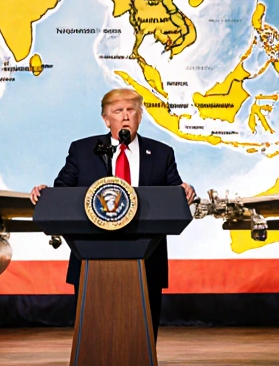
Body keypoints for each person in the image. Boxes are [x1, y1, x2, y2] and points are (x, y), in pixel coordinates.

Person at [30, 88, 195, 337]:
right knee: (95, 337)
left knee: (143, 338)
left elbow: (174, 195)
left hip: (147, 263)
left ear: (140, 116)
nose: (125, 116)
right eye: (118, 111)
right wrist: (46, 194)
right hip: (92, 262)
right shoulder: (83, 150)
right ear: (106, 120)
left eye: (131, 110)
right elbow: (63, 192)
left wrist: (186, 190)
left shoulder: (162, 153)